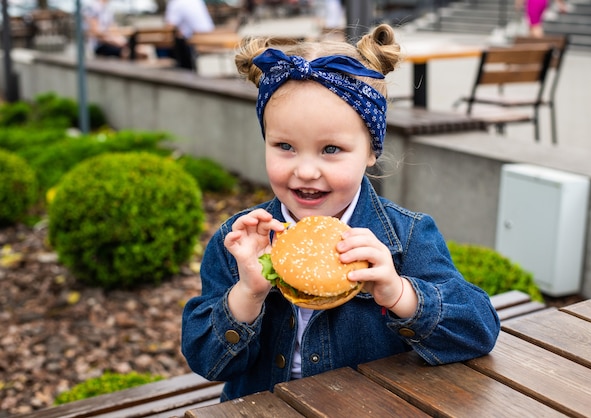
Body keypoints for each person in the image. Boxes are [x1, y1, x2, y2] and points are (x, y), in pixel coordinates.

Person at [181, 23, 500, 402]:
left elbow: (479, 332)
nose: (306, 170)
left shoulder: (406, 238)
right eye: (284, 146)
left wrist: (399, 293)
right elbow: (207, 362)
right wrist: (248, 293)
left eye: (331, 149)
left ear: (370, 151)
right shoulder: (239, 243)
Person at [163, 0, 215, 69]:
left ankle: (179, 72)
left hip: (195, 41)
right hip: (209, 36)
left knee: (165, 47)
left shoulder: (176, 3)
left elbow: (169, 29)